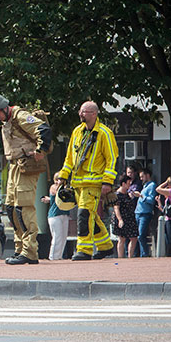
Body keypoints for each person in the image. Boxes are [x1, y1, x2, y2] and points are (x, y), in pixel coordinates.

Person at [0, 93, 52, 265]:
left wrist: (40, 150)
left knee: (24, 208)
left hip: (27, 166)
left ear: (4, 108)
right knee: (11, 208)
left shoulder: (21, 116)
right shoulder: (7, 121)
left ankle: (30, 251)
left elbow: (43, 129)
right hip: (14, 165)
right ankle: (20, 248)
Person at [55, 101, 118, 260]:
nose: (80, 114)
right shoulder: (77, 131)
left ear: (94, 114)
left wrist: (107, 182)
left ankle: (84, 250)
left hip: (93, 184)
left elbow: (112, 159)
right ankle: (105, 246)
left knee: (84, 215)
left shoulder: (105, 133)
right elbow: (70, 157)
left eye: (84, 111)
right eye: (80, 111)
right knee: (91, 216)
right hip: (78, 183)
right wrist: (63, 175)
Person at [131, 167, 156, 258]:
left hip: (145, 213)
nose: (141, 179)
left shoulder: (152, 185)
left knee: (141, 235)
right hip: (138, 212)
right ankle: (141, 253)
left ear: (147, 175)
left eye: (142, 176)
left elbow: (151, 200)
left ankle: (145, 254)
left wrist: (141, 196)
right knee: (138, 235)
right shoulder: (145, 186)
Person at [41, 181, 70, 260]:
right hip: (55, 215)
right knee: (57, 237)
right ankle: (53, 257)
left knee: (64, 237)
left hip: (65, 214)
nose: (59, 181)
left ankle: (59, 256)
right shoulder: (53, 187)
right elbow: (59, 194)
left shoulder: (66, 187)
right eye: (57, 179)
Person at [112, 175, 138, 258]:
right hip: (122, 218)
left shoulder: (127, 193)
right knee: (122, 238)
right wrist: (120, 220)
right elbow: (116, 208)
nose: (129, 185)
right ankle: (120, 257)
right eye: (128, 183)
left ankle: (130, 256)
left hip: (130, 217)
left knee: (134, 237)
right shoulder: (117, 195)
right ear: (123, 184)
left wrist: (135, 195)